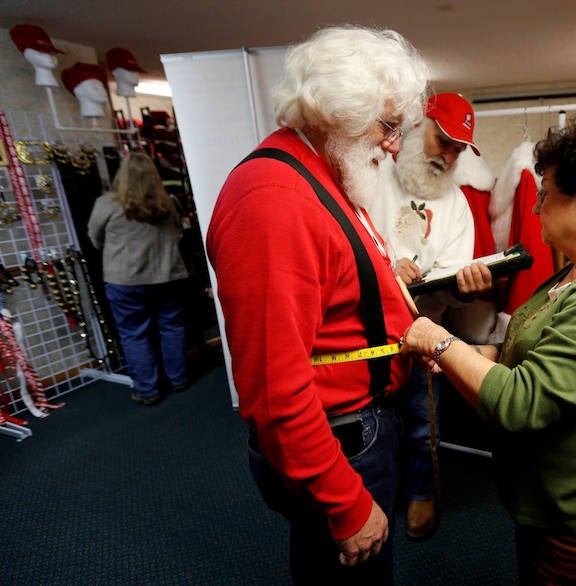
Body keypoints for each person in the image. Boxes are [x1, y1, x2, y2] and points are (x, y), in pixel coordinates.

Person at [399, 115, 576, 585]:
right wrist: (461, 356)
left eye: (545, 194)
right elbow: (526, 357)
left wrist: (439, 340)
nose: (535, 209)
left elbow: (520, 402)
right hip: (549, 507)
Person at [204, 25, 432, 584]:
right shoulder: (274, 201)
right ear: (339, 111)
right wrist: (346, 504)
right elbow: (274, 389)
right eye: (388, 126)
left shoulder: (320, 176)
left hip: (361, 427)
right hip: (341, 445)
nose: (394, 145)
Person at [367, 92, 490, 540]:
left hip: (424, 330)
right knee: (370, 420)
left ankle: (421, 491)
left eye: (459, 149)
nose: (450, 155)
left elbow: (453, 285)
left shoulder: (457, 204)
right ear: (418, 127)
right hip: (365, 330)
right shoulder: (372, 177)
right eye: (444, 140)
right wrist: (386, 266)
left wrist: (465, 287)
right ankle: (372, 497)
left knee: (422, 422)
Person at [87, 152, 190, 406]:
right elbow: (178, 235)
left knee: (134, 334)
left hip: (125, 280)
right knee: (172, 327)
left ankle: (148, 390)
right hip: (168, 275)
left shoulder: (107, 204)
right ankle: (178, 379)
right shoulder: (169, 204)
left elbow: (95, 239)